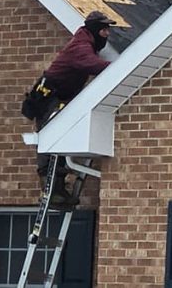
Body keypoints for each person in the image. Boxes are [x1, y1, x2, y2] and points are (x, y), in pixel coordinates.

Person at [25, 11, 115, 204]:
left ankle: (59, 188)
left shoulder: (87, 44)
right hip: (49, 96)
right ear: (94, 29)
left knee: (61, 138)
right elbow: (93, 65)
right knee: (50, 137)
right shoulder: (81, 46)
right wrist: (121, 66)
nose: (107, 34)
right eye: (104, 30)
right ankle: (49, 188)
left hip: (62, 96)